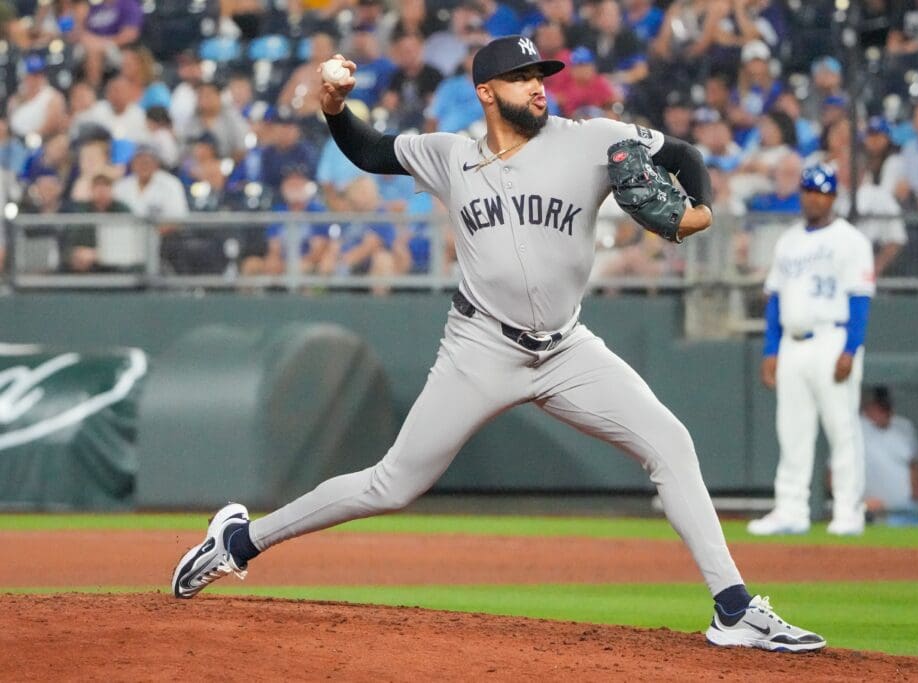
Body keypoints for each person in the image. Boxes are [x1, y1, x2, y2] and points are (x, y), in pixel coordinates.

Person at [171, 34, 826, 653]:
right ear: (487, 91)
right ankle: (237, 541)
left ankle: (733, 608)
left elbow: (681, 155)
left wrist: (700, 210)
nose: (538, 87)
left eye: (540, 76)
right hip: (479, 346)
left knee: (670, 443)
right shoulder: (452, 154)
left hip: (568, 350)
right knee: (391, 484)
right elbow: (371, 151)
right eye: (521, 78)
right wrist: (335, 107)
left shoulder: (592, 138)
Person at [748, 162, 875, 537]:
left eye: (820, 191)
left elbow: (860, 299)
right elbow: (774, 300)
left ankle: (849, 512)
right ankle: (791, 509)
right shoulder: (788, 241)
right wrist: (770, 351)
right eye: (808, 190)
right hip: (793, 341)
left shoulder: (850, 240)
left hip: (833, 337)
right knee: (792, 431)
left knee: (842, 429)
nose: (813, 197)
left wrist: (851, 348)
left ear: (833, 196)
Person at [860, 386, 918, 522]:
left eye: (887, 406)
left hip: (908, 509)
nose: (884, 411)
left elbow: (914, 465)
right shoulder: (855, 428)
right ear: (869, 406)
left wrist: (916, 497)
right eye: (879, 406)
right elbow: (833, 475)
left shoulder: (904, 426)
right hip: (873, 513)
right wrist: (860, 503)